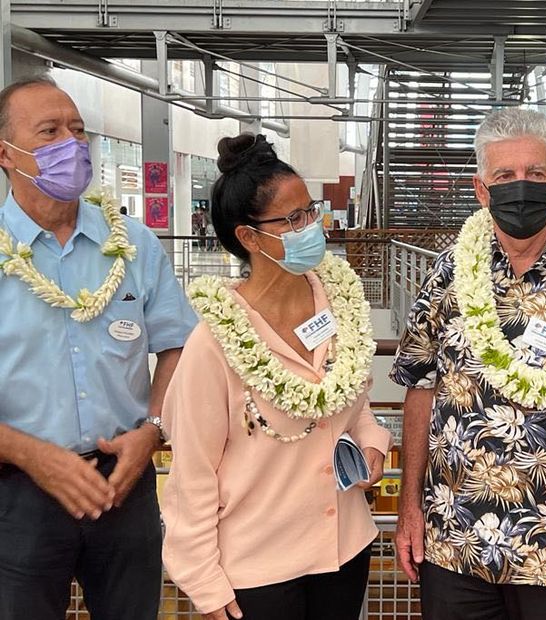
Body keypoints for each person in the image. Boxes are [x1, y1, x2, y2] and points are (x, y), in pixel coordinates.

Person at [390, 108, 546, 619]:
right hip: (454, 537)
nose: (520, 187)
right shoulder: (447, 272)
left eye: (535, 174)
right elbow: (419, 387)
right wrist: (409, 506)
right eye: (505, 176)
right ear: (482, 190)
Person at [161, 133, 391, 620]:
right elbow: (193, 475)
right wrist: (202, 580)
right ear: (248, 237)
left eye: (312, 212)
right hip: (258, 569)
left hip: (342, 549)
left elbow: (356, 405)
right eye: (293, 219)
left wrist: (371, 441)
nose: (312, 227)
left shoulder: (339, 305)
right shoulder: (214, 343)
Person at [0, 75, 197, 619]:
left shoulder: (133, 244)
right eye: (50, 131)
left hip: (125, 483)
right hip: (19, 496)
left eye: (78, 130)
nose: (72, 143)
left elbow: (178, 346)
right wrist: (29, 454)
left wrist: (153, 432)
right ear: (5, 153)